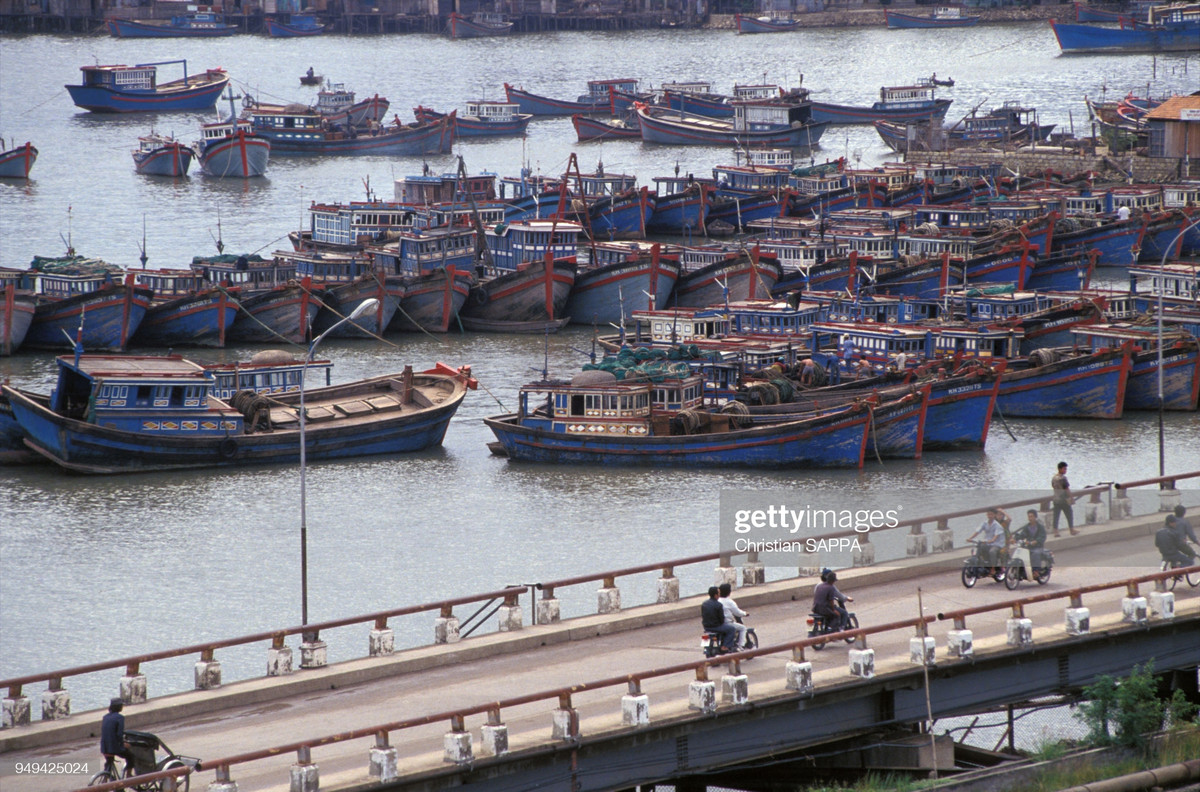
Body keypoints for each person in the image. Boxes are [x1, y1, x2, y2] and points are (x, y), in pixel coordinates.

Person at [100, 698, 134, 777]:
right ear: (118, 707)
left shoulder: (105, 717)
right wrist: (123, 744)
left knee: (109, 762)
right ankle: (129, 775)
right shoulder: (120, 718)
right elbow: (119, 735)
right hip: (114, 747)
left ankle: (105, 779)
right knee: (130, 757)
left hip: (105, 747)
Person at [701, 585, 736, 653]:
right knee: (732, 629)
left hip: (706, 627)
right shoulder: (718, 605)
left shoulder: (704, 604)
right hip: (716, 626)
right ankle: (725, 646)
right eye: (719, 593)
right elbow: (721, 618)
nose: (719, 594)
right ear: (715, 595)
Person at [717, 582, 749, 650]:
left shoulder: (717, 601)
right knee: (743, 628)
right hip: (727, 623)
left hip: (718, 623)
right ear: (729, 592)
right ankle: (741, 646)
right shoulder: (729, 602)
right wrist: (745, 613)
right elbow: (737, 612)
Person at [1051, 461, 1078, 536]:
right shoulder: (1063, 478)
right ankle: (1071, 530)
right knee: (1069, 514)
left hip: (1056, 499)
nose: (1065, 471)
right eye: (1064, 469)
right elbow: (1066, 488)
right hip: (1064, 500)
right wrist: (1071, 497)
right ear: (1059, 469)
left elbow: (1053, 486)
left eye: (1066, 469)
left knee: (1056, 516)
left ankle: (1055, 531)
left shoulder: (1054, 478)